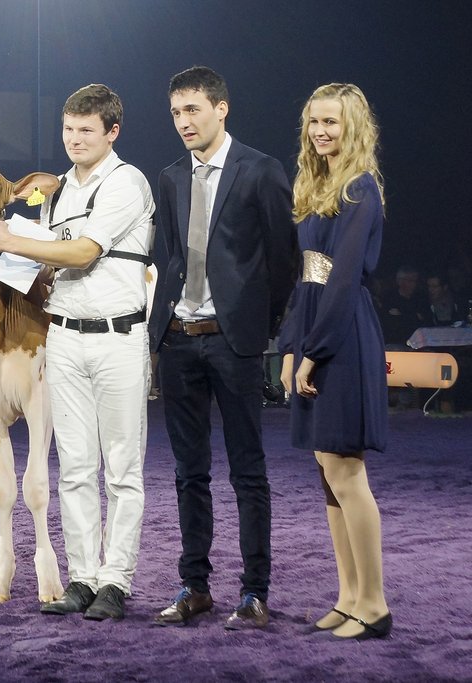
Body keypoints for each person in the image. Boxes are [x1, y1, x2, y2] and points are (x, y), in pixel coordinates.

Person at [0, 84, 153, 621]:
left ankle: (116, 580)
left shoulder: (128, 182)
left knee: (121, 466)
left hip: (120, 337)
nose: (75, 140)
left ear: (112, 132)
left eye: (86, 131)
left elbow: (82, 251)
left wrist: (9, 241)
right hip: (66, 336)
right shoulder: (58, 192)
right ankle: (82, 577)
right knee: (75, 464)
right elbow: (49, 264)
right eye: (68, 130)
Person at [146, 66, 298, 629]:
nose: (184, 122)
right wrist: (163, 329)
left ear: (221, 108)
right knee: (189, 473)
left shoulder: (261, 171)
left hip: (235, 344)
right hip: (180, 341)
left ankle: (255, 592)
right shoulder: (170, 177)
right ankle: (195, 586)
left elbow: (284, 260)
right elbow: (172, 258)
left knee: (248, 472)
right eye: (176, 113)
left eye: (193, 110)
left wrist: (262, 327)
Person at [279, 83, 392, 640]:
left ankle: (374, 603)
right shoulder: (316, 182)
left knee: (346, 472)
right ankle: (348, 597)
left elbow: (343, 281)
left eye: (332, 122)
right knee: (328, 473)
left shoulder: (360, 187)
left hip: (343, 336)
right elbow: (308, 276)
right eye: (314, 122)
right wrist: (289, 349)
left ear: (353, 126)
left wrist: (314, 352)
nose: (321, 131)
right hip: (316, 329)